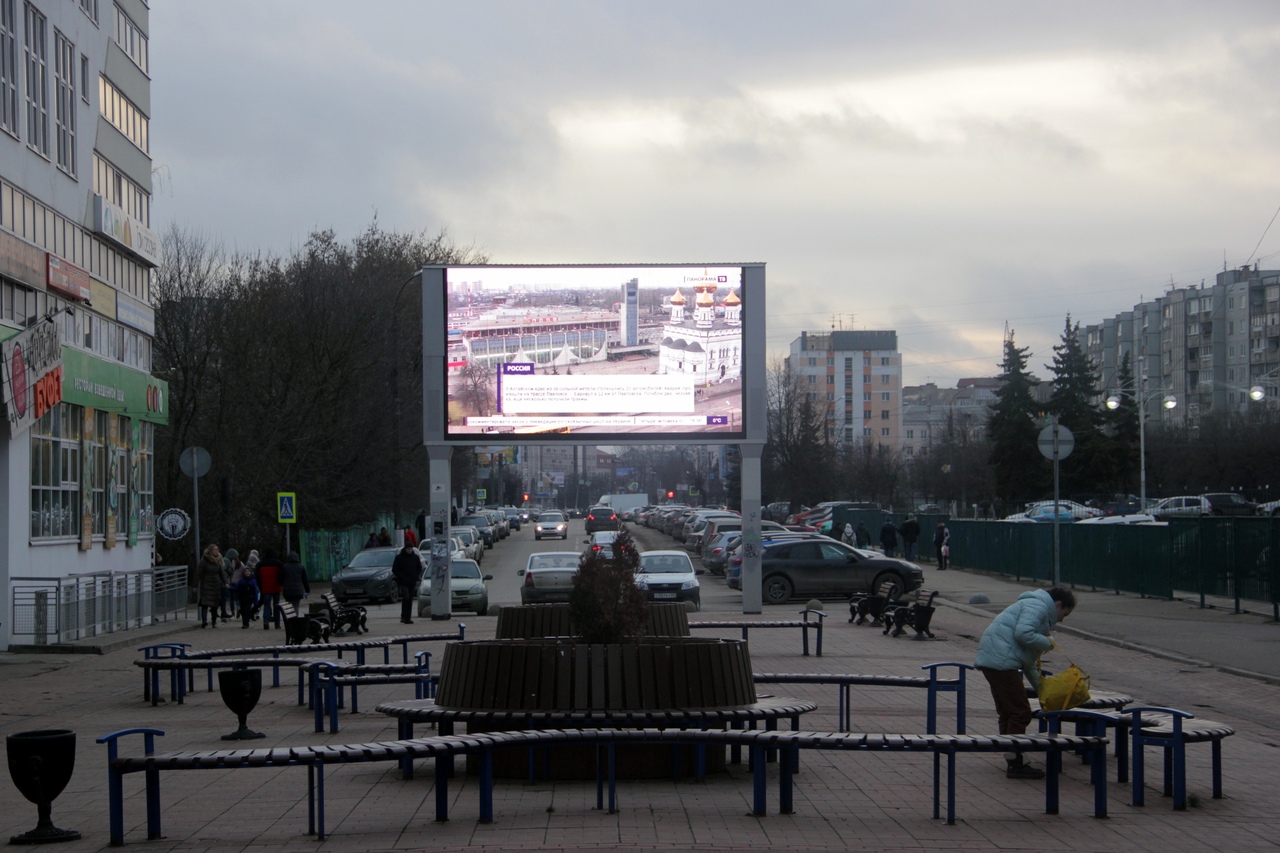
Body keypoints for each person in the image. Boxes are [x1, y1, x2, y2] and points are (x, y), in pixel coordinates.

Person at [975, 587, 1077, 779]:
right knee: (1020, 712)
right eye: (1065, 613)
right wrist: (1049, 642)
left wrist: (1043, 689)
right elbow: (1023, 633)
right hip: (1001, 660)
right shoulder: (1037, 607)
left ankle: (1012, 756)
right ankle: (1016, 761)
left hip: (995, 659)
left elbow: (1028, 660)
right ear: (1058, 604)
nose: (1062, 619)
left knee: (1008, 711)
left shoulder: (1034, 608)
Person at [195, 543, 229, 628]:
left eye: (217, 549)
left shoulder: (218, 561)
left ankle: (214, 622)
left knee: (215, 604)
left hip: (216, 585)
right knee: (205, 603)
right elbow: (198, 574)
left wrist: (226, 582)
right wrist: (195, 585)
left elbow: (221, 573)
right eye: (215, 549)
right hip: (206, 584)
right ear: (210, 551)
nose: (217, 551)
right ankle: (204, 621)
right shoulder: (204, 561)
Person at [391, 541, 423, 625]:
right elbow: (394, 570)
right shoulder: (399, 558)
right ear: (405, 549)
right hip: (403, 582)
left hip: (412, 582)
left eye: (411, 549)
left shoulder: (415, 557)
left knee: (410, 600)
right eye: (408, 549)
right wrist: (401, 577)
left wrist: (416, 576)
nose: (410, 550)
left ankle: (408, 617)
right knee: (406, 597)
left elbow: (419, 568)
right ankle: (403, 616)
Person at [257, 547, 284, 629]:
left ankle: (266, 621)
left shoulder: (260, 564)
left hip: (265, 587)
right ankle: (277, 623)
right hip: (276, 587)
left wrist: (260, 587)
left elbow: (257, 577)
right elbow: (282, 575)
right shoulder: (279, 564)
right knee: (277, 605)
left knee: (266, 605)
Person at [235, 556, 261, 629]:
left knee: (246, 610)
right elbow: (236, 588)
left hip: (249, 599)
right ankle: (245, 622)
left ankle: (246, 624)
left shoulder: (253, 582)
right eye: (246, 571)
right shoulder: (241, 581)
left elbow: (255, 592)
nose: (247, 573)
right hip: (242, 598)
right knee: (243, 611)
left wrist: (256, 603)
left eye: (248, 571)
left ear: (250, 572)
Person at [221, 548, 243, 619]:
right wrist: (226, 578)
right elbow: (222, 570)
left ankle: (231, 611)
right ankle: (224, 612)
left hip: (230, 581)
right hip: (228, 582)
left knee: (230, 598)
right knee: (232, 598)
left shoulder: (228, 561)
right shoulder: (227, 561)